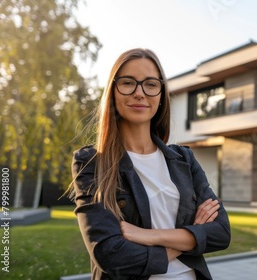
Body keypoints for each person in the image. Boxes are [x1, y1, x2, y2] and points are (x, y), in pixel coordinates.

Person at [67, 48, 231, 280]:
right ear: (113, 92)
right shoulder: (91, 163)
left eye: (151, 84)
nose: (139, 93)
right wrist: (187, 239)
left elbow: (221, 233)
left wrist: (148, 235)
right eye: (128, 83)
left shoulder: (184, 159)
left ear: (161, 94)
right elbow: (110, 254)